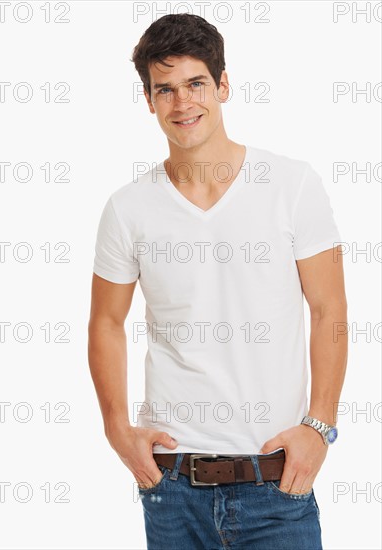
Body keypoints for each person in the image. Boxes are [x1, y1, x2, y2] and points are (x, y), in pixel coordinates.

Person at [88, 13, 347, 550]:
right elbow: (106, 323)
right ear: (149, 100)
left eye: (196, 84)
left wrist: (319, 428)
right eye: (166, 90)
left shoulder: (292, 186)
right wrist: (118, 430)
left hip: (277, 480)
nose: (182, 103)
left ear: (223, 85)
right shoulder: (127, 208)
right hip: (171, 486)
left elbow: (330, 312)